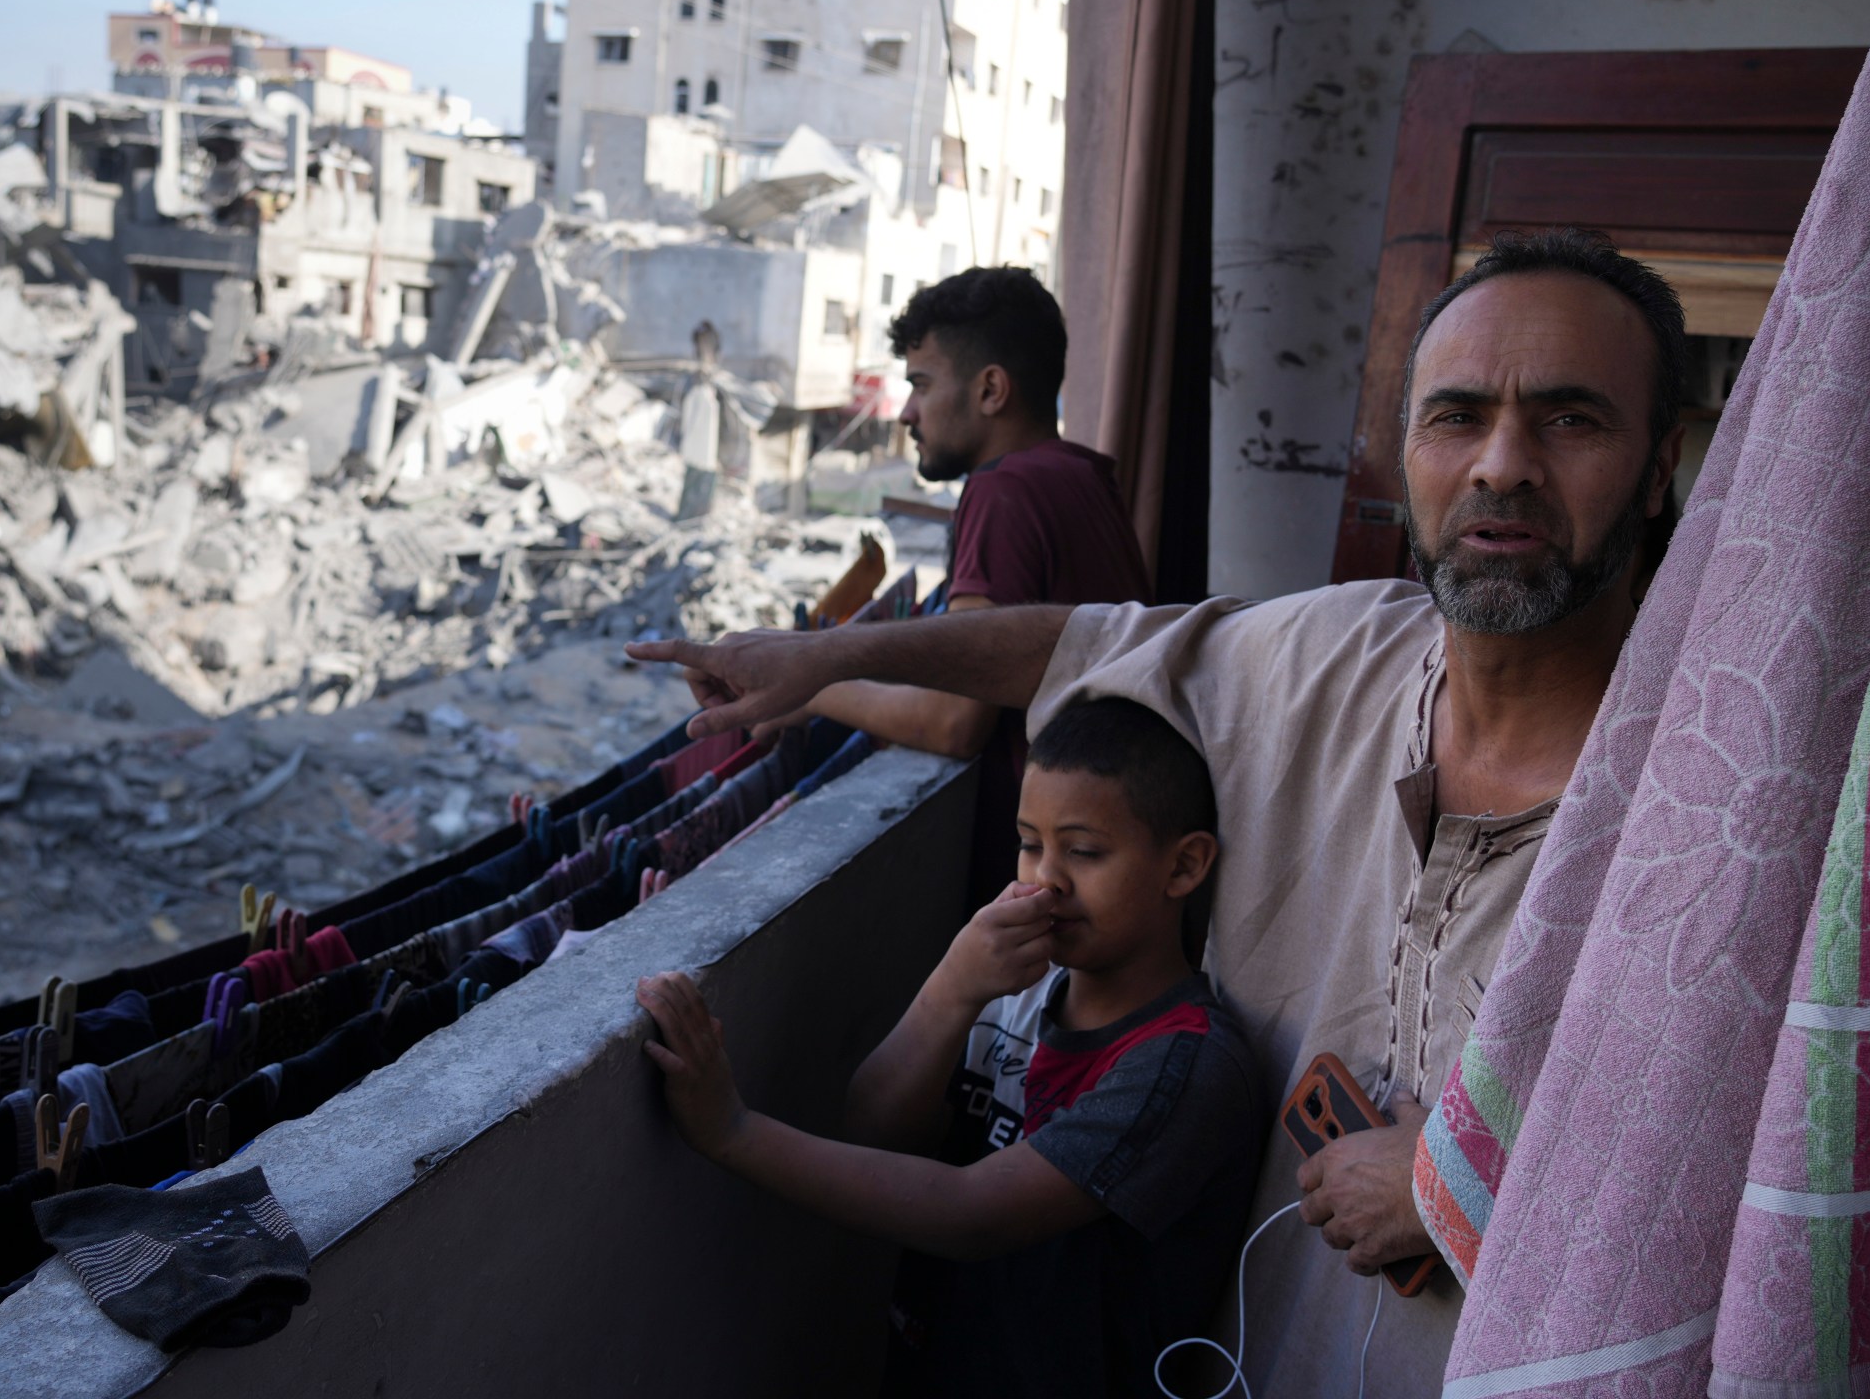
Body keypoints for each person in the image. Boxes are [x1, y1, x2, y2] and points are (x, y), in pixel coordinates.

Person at [625, 228, 1688, 1396]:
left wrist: (1463, 1188)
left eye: (1570, 420)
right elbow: (1075, 643)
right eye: (1456, 416)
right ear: (1402, 457)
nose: (1502, 463)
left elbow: (1749, 1169)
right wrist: (824, 660)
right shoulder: (1335, 654)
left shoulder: (1718, 799)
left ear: (1658, 466)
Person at [637, 697, 1263, 1396]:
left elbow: (971, 1215)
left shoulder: (1181, 1065)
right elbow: (875, 1125)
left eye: (1084, 851)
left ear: (1184, 867)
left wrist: (733, 1133)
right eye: (1030, 843)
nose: (1044, 879)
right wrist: (952, 990)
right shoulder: (1022, 985)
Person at [800, 266, 1151, 913]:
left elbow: (953, 720)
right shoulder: (1081, 478)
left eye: (921, 385)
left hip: (1049, 893)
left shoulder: (1003, 490)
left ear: (991, 389)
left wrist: (811, 684)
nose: (906, 412)